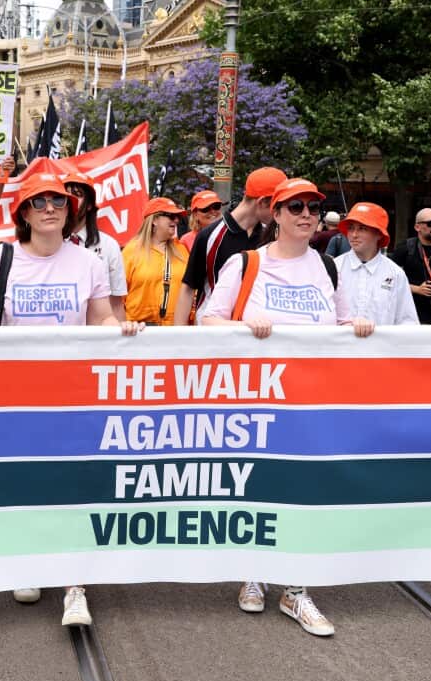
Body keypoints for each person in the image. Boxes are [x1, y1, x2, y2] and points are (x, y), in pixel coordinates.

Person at [0, 172, 143, 629]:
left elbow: (100, 316)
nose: (49, 208)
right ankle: (27, 563)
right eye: (39, 201)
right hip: (14, 395)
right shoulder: (1, 258)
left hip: (74, 393)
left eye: (58, 202)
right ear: (23, 212)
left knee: (74, 485)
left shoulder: (87, 261)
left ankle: (74, 584)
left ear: (71, 211)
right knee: (22, 480)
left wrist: (118, 330)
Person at [201, 178, 351, 637]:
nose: (306, 214)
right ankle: (253, 570)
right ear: (276, 214)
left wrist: (360, 326)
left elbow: (345, 323)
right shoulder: (246, 264)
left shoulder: (327, 267)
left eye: (313, 207)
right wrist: (244, 323)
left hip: (312, 402)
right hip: (256, 401)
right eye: (295, 207)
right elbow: (209, 319)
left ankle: (296, 589)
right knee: (258, 486)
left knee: (304, 491)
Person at [175, 166, 288, 325]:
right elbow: (188, 287)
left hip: (256, 333)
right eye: (279, 205)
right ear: (262, 202)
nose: (283, 212)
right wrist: (179, 339)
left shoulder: (272, 235)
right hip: (214, 334)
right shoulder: (209, 236)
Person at [332, 202, 418, 327]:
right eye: (351, 228)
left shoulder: (395, 274)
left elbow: (408, 322)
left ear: (379, 234)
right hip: (340, 346)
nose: (354, 235)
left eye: (362, 228)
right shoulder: (333, 268)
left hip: (382, 346)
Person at [62, 172, 127, 321]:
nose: (70, 200)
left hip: (96, 337)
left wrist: (122, 342)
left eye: (77, 195)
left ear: (90, 205)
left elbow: (116, 305)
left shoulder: (109, 246)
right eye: (64, 195)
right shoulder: (48, 244)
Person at [122, 197, 188, 325]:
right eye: (171, 216)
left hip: (175, 331)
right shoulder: (131, 251)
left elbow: (191, 291)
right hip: (139, 331)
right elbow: (118, 297)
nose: (176, 220)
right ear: (154, 220)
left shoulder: (182, 251)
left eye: (177, 217)